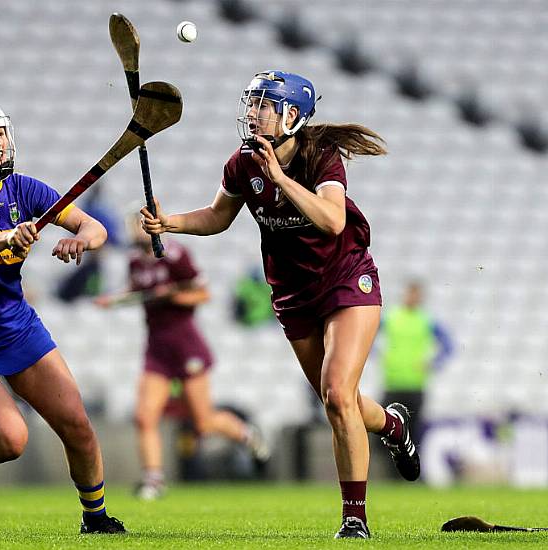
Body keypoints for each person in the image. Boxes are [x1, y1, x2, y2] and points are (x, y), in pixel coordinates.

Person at [140, 70, 419, 539]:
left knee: (335, 392)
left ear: (292, 115)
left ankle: (355, 519)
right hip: (293, 293)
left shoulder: (321, 157)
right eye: (250, 102)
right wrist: (170, 222)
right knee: (339, 402)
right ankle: (392, 425)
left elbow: (332, 221)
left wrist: (279, 179)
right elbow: (216, 217)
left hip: (346, 279)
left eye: (263, 104)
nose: (252, 112)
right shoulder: (241, 163)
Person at [0, 103, 125, 534]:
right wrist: (7, 236)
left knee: (78, 426)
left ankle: (96, 519)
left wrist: (81, 243)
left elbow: (94, 228)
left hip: (15, 325)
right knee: (10, 441)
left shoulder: (26, 190)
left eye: (0, 134)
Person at [95, 214, 270, 500]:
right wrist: (114, 300)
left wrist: (172, 296)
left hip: (186, 345)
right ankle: (154, 479)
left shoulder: (175, 255)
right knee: (144, 416)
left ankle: (247, 435)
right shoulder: (135, 262)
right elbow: (137, 292)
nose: (133, 231)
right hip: (157, 347)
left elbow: (202, 294)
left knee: (203, 422)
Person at [379, 280, 453, 444]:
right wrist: (376, 353)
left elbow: (449, 345)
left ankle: (409, 469)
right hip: (393, 384)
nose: (412, 297)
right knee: (385, 433)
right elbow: (366, 334)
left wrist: (434, 363)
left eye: (416, 294)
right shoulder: (391, 317)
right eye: (410, 293)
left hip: (415, 385)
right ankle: (388, 469)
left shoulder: (426, 320)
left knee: (411, 435)